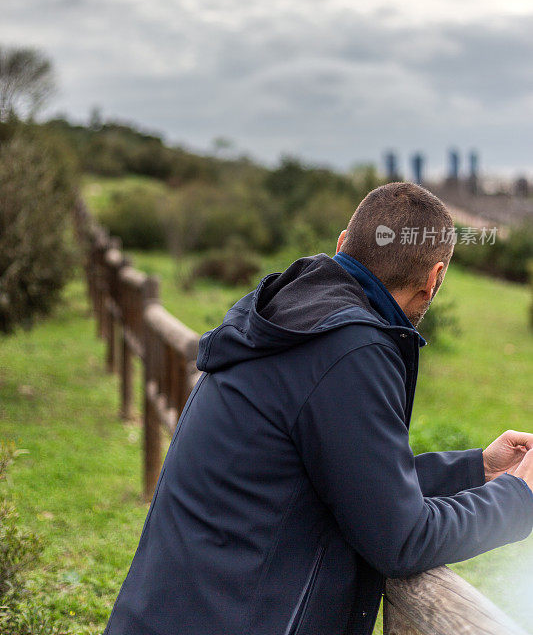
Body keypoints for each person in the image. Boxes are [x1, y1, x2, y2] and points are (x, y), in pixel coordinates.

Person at [103, 181, 533, 635]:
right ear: (434, 278)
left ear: (343, 243)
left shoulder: (287, 316)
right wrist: (519, 498)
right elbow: (401, 539)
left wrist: (479, 470)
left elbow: (356, 482)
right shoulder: (350, 350)